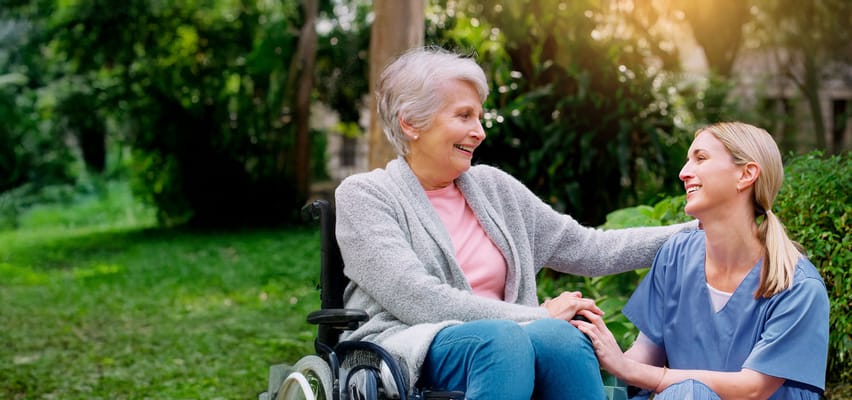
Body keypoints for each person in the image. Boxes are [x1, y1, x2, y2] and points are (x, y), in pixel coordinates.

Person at [333, 46, 696, 400]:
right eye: (463, 116)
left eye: (479, 117)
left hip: (512, 341)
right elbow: (417, 298)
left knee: (562, 338)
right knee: (506, 338)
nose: (480, 132)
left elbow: (589, 247)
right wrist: (536, 315)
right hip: (409, 344)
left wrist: (700, 230)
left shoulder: (494, 188)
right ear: (411, 123)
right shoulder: (366, 195)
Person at [571, 122, 830, 399]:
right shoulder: (675, 257)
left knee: (689, 392)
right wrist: (590, 346)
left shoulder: (799, 286)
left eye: (701, 158)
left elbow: (753, 388)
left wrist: (636, 371)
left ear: (746, 174)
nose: (684, 173)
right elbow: (645, 355)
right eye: (687, 161)